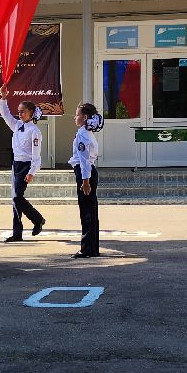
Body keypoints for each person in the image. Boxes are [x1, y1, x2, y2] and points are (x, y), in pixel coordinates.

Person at [0, 91, 45, 242]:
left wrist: (32, 171)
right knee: (15, 199)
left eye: (23, 112)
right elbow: (5, 115)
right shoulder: (17, 126)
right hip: (16, 164)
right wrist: (3, 98)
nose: (20, 114)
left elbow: (36, 155)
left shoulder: (34, 131)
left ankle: (37, 219)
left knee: (17, 197)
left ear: (31, 113)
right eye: (18, 112)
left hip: (26, 165)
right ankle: (17, 232)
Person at [70, 102, 103, 257]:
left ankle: (87, 249)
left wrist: (85, 181)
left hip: (85, 173)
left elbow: (83, 160)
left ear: (84, 117)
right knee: (91, 211)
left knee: (87, 213)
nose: (75, 118)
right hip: (89, 172)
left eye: (77, 115)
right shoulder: (87, 133)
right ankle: (93, 248)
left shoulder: (83, 134)